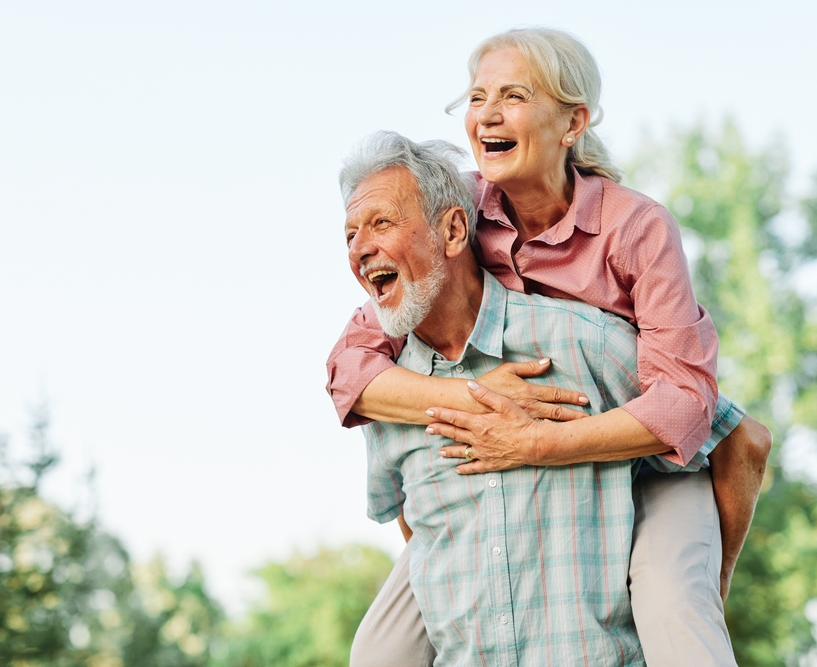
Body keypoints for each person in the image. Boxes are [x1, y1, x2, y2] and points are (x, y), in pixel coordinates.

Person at [330, 28, 772, 667]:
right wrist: (474, 399)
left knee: (676, 611)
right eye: (477, 97)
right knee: (378, 650)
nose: (486, 114)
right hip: (509, 454)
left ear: (573, 123)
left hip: (643, 456)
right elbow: (349, 369)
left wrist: (536, 442)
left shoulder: (635, 228)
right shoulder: (460, 210)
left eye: (513, 95)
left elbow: (685, 409)